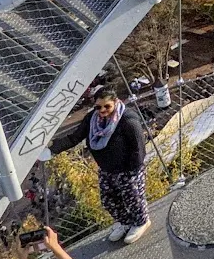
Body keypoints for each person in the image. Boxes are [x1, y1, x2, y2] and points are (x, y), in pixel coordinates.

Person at [60, 88, 150, 244]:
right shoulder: (91, 120)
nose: (102, 110)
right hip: (107, 169)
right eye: (98, 107)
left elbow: (138, 148)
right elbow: (74, 137)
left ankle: (141, 221)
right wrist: (51, 148)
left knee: (132, 197)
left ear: (115, 102)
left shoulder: (127, 120)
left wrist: (131, 172)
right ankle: (125, 222)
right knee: (109, 200)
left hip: (128, 169)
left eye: (106, 106)